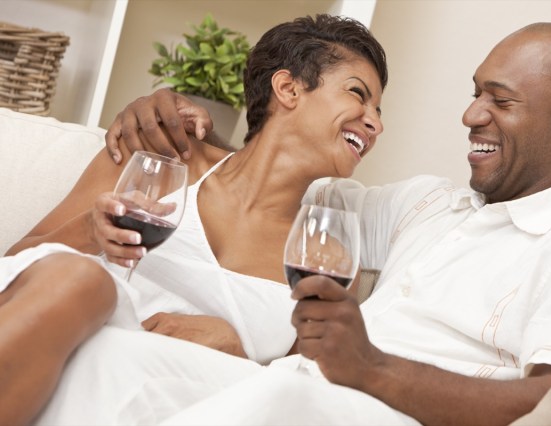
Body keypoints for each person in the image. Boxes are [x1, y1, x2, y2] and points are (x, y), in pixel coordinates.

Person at [101, 21, 551, 426]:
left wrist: (372, 368)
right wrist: (169, 123)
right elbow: (273, 175)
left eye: (499, 100)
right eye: (476, 93)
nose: (472, 115)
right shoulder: (430, 205)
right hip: (287, 390)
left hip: (358, 411)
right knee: (118, 359)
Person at [1, 14, 388, 425]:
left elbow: (300, 385)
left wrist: (238, 347)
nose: (375, 123)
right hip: (46, 367)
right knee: (85, 280)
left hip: (168, 405)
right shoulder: (161, 158)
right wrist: (88, 231)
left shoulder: (323, 254)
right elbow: (16, 265)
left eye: (378, 110)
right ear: (288, 88)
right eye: (357, 94)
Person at [0, 247, 117, 426]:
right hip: (49, 272)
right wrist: (90, 228)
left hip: (125, 306)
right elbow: (20, 249)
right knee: (81, 277)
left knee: (84, 279)